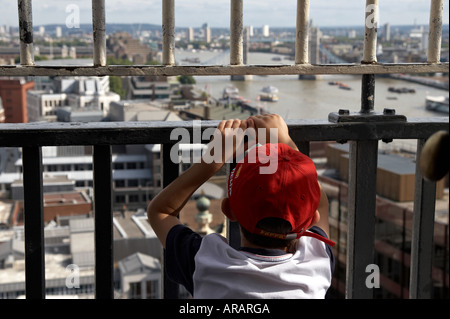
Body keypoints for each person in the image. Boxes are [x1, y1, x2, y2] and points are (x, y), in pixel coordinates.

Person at [147, 113, 335, 299]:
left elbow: (160, 212)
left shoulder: (207, 264)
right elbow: (322, 205)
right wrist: (286, 147)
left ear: (228, 210)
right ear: (311, 218)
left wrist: (213, 160)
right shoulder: (315, 264)